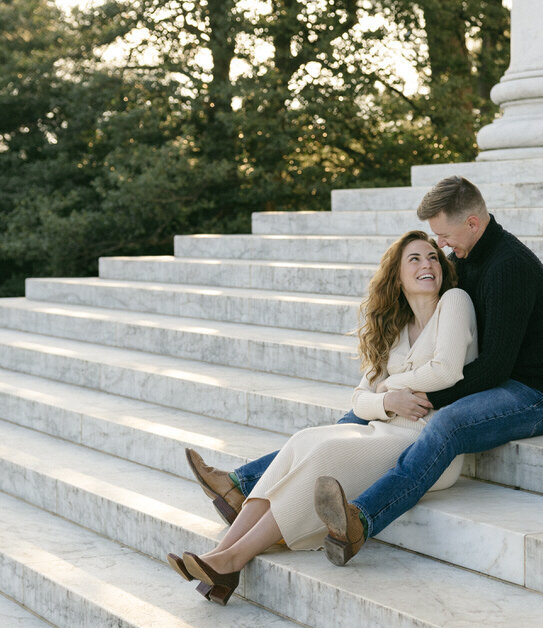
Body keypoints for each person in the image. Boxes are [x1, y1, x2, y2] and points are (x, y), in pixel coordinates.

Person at [186, 176, 543, 570]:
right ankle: (241, 487)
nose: (440, 248)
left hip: (535, 392)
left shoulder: (509, 266)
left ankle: (362, 518)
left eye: (444, 236)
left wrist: (409, 399)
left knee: (449, 424)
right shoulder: (463, 260)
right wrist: (386, 400)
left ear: (472, 223)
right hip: (488, 377)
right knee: (337, 428)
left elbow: (492, 368)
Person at [167, 230, 477, 602]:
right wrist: (387, 401)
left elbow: (446, 371)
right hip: (383, 430)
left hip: (426, 443)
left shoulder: (454, 302)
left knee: (326, 452)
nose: (427, 264)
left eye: (432, 257)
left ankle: (232, 560)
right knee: (304, 440)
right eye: (415, 259)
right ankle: (220, 556)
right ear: (397, 276)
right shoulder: (396, 329)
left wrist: (387, 389)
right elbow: (359, 398)